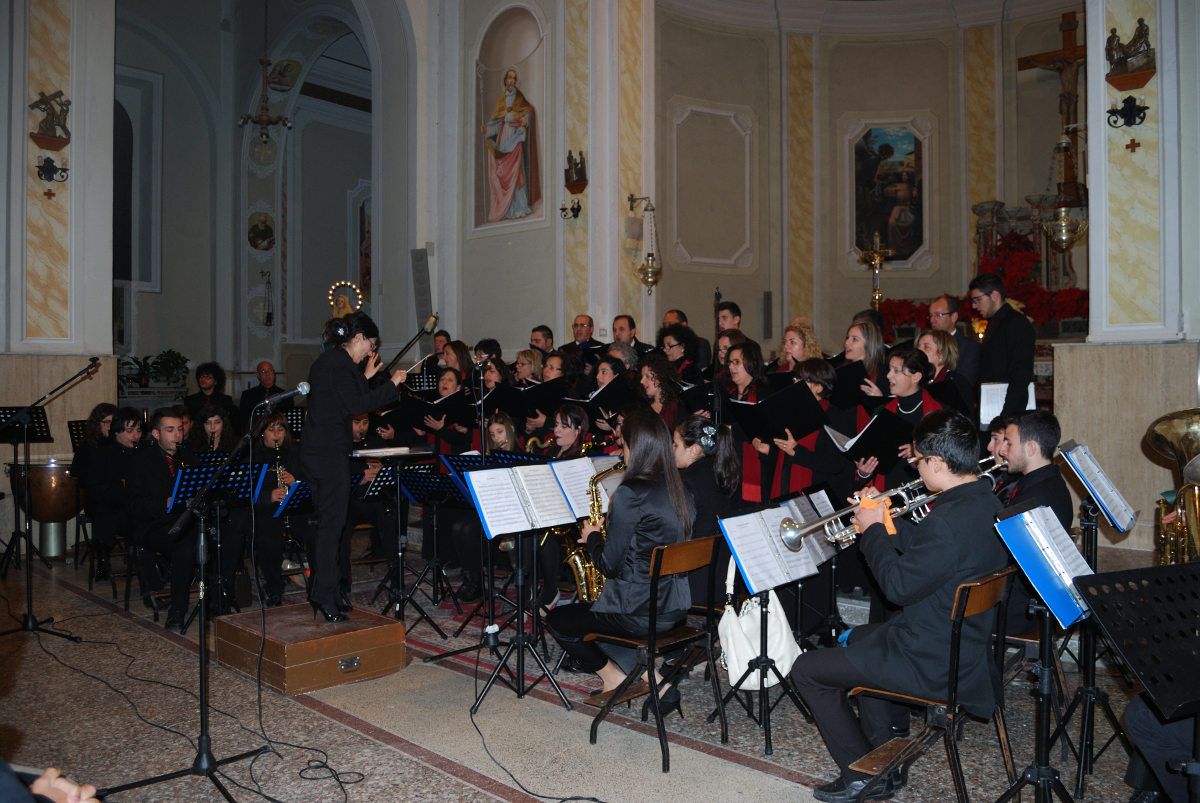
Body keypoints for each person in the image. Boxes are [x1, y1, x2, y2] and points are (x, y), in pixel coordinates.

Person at [789, 409, 1009, 802]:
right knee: (858, 637)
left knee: (806, 670)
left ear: (938, 463)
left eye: (919, 460)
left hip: (928, 657)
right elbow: (933, 557)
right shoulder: (985, 503)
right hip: (961, 645)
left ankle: (860, 775)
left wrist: (871, 529)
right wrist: (886, 519)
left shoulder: (947, 520)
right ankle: (883, 761)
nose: (916, 467)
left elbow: (896, 587)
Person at [546, 408, 693, 709]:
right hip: (675, 607)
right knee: (598, 617)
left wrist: (593, 537)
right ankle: (656, 680)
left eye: (623, 446)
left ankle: (611, 676)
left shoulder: (631, 492)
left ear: (636, 449)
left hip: (639, 611)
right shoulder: (682, 488)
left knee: (560, 620)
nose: (620, 452)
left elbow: (609, 566)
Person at [300, 311, 407, 623]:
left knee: (331, 527)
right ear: (358, 338)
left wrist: (367, 377)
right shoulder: (340, 364)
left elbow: (341, 397)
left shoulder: (330, 361)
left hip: (318, 453)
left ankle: (328, 592)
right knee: (332, 529)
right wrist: (393, 384)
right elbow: (357, 406)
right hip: (329, 455)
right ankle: (324, 595)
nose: (370, 352)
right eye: (370, 345)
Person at [998, 409, 1073, 634]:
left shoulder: (1033, 498)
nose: (1002, 450)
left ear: (1031, 448)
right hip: (1019, 600)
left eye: (1009, 444)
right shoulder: (1049, 481)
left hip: (1016, 609)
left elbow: (996, 551)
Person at [126, 406, 196, 631]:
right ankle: (177, 611)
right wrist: (163, 503)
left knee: (226, 532)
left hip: (184, 521)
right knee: (184, 547)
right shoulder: (140, 461)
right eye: (170, 430)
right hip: (153, 524)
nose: (177, 435)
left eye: (180, 429)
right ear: (156, 434)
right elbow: (133, 504)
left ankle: (217, 600)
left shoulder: (189, 458)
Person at [673, 415, 739, 607]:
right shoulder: (719, 473)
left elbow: (678, 533)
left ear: (693, 450)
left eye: (675, 445)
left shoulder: (687, 482)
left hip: (694, 584)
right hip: (720, 577)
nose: (671, 449)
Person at [969, 272, 1035, 416]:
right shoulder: (995, 323)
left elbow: (1021, 373)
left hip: (1007, 408)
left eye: (977, 299)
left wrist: (1007, 414)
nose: (974, 306)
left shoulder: (1017, 323)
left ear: (994, 295)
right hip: (993, 405)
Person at [483, 66, 540, 222]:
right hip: (503, 137)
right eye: (509, 77)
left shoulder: (519, 97)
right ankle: (506, 210)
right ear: (505, 80)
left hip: (515, 136)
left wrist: (524, 118)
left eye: (514, 78)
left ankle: (520, 207)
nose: (511, 80)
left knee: (516, 170)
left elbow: (529, 111)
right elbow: (497, 121)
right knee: (503, 172)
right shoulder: (502, 100)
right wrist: (487, 129)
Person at [70, 403, 116, 579]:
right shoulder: (87, 446)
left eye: (114, 422)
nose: (111, 427)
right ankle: (103, 561)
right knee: (104, 510)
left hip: (115, 496)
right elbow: (77, 476)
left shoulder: (119, 444)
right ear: (97, 423)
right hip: (96, 499)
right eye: (107, 422)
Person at [725, 339, 773, 503]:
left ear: (751, 363)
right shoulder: (728, 396)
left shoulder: (764, 396)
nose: (731, 367)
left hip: (756, 471)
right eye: (730, 362)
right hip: (731, 471)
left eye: (736, 362)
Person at [928, 294, 980, 391]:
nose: (932, 320)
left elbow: (966, 383)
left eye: (938, 315)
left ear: (954, 317)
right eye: (930, 315)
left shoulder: (969, 347)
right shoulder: (926, 345)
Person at [239, 360, 291, 433]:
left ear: (274, 373)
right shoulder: (247, 395)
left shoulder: (285, 395)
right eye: (263, 371)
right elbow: (243, 420)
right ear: (257, 375)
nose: (267, 374)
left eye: (270, 370)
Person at [638, 353, 685, 433]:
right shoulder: (642, 406)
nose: (641, 381)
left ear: (661, 377)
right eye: (642, 376)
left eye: (647, 376)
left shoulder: (676, 407)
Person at [184, 362, 237, 427]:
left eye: (208, 377)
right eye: (201, 376)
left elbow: (230, 423)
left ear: (215, 381)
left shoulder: (225, 400)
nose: (203, 379)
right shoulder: (190, 400)